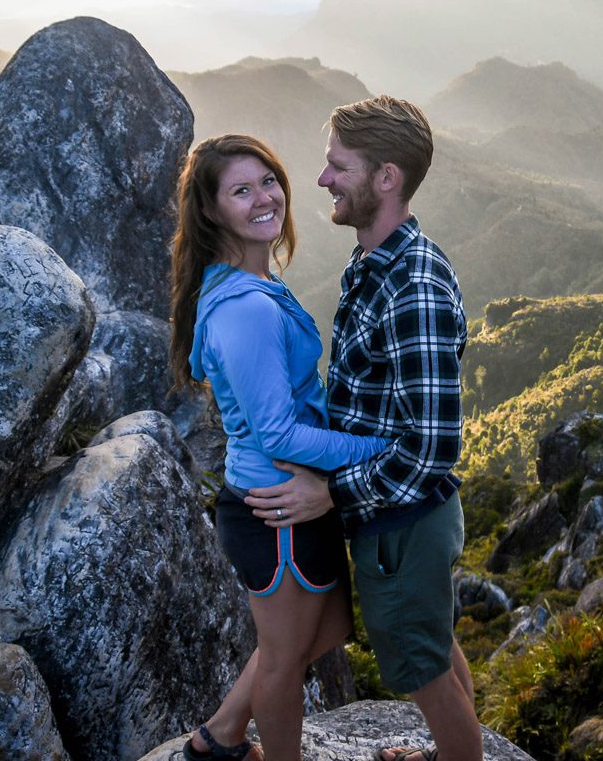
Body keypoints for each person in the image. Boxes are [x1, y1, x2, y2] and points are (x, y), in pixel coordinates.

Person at [245, 96, 481, 761]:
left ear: (385, 178)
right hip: (398, 519)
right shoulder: (374, 260)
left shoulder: (414, 288)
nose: (321, 180)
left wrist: (332, 492)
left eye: (337, 166)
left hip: (403, 523)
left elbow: (432, 449)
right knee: (431, 642)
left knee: (423, 670)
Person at [168, 133, 388, 761]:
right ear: (211, 211)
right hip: (280, 502)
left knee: (326, 628)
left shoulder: (247, 284)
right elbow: (279, 434)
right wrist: (373, 448)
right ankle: (237, 746)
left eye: (268, 181)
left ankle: (221, 734)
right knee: (284, 664)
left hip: (278, 491)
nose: (265, 198)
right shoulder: (246, 311)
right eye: (242, 190)